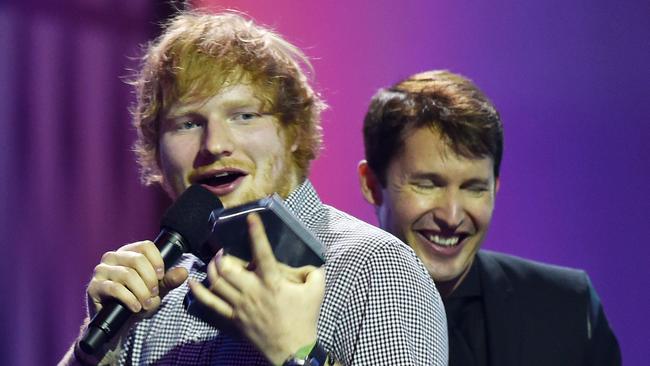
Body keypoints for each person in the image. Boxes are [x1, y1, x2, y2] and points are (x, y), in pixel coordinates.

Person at [59, 12, 448, 366]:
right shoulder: (156, 296)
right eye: (188, 123)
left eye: (244, 116)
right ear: (156, 150)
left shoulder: (373, 268)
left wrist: (293, 353)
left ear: (293, 131)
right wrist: (91, 351)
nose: (214, 144)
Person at [358, 70, 621, 366]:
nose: (452, 215)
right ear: (371, 184)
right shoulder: (316, 309)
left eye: (474, 188)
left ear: (495, 189)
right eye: (428, 184)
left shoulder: (569, 308)